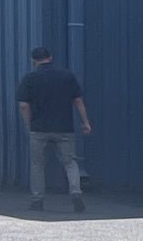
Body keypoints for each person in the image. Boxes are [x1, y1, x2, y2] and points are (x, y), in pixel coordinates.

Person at [16, 47, 90, 213]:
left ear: (33, 61)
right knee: (70, 162)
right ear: (50, 57)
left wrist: (29, 125)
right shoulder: (67, 76)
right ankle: (76, 194)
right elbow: (78, 101)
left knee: (37, 165)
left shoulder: (30, 78)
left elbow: (23, 105)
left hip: (39, 128)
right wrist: (85, 122)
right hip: (64, 128)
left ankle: (37, 201)